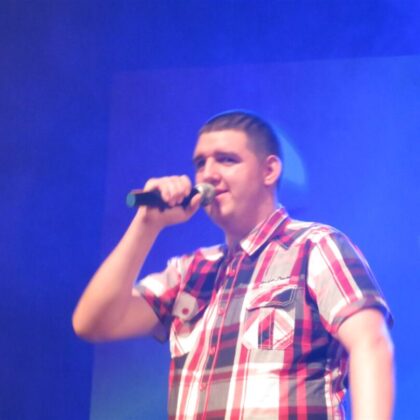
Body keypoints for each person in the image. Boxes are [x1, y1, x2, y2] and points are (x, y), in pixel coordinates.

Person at [73, 110, 394, 419]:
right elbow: (94, 323)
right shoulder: (190, 271)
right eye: (200, 163)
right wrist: (146, 225)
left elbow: (370, 343)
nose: (208, 174)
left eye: (226, 159)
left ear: (269, 171)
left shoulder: (315, 246)